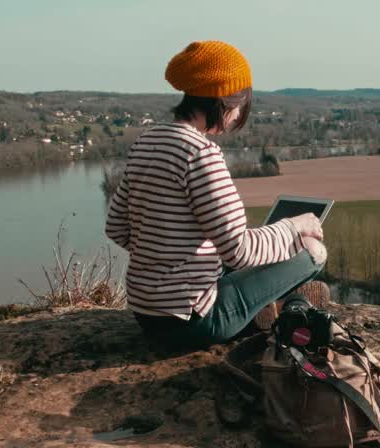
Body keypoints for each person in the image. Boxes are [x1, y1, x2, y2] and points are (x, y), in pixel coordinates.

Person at [105, 40, 330, 350]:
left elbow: (116, 227)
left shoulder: (149, 141)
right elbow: (239, 251)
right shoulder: (201, 153)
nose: (239, 116)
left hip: (146, 314)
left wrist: (171, 256)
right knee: (313, 252)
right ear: (227, 101)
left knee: (241, 263)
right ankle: (273, 309)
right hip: (194, 321)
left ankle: (262, 310)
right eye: (241, 105)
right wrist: (294, 227)